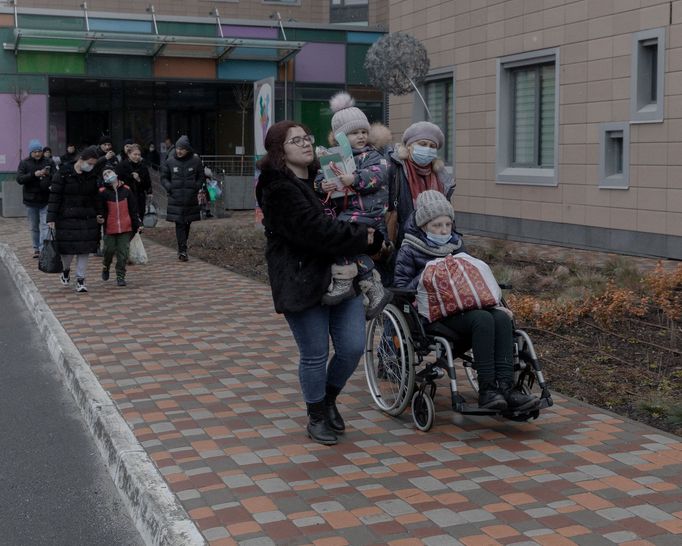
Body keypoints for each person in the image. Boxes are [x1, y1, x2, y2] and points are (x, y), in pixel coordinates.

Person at [256, 120, 383, 445]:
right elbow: (316, 232)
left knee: (353, 347)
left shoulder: (322, 179)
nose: (305, 143)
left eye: (306, 137)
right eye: (295, 140)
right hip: (303, 279)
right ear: (279, 151)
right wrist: (365, 238)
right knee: (314, 353)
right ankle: (316, 416)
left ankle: (327, 399)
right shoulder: (277, 188)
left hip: (342, 275)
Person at [393, 190, 540, 413]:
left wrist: (496, 302)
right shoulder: (409, 249)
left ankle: (507, 388)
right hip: (432, 314)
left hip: (464, 307)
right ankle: (488, 390)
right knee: (482, 319)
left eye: (447, 225)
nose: (444, 231)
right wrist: (432, 273)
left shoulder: (456, 244)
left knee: (499, 318)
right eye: (437, 226)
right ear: (423, 226)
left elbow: (472, 277)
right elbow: (401, 287)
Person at [314, 92, 392, 319]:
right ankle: (373, 288)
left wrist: (355, 179)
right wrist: (323, 185)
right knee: (347, 244)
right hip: (350, 211)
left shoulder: (372, 155)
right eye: (354, 133)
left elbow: (379, 175)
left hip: (369, 211)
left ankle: (344, 280)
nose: (360, 136)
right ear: (340, 137)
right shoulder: (333, 157)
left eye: (363, 132)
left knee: (338, 235)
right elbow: (319, 178)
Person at [388, 121, 455, 247]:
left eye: (432, 146)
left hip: (436, 243)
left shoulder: (440, 176)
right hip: (403, 244)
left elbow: (448, 215)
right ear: (409, 146)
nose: (427, 149)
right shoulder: (395, 170)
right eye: (422, 144)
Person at [47, 146, 103, 293]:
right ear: (81, 159)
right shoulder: (63, 174)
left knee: (84, 250)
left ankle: (81, 279)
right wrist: (51, 218)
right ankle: (65, 270)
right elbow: (54, 197)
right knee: (68, 251)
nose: (90, 166)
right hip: (66, 218)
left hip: (87, 218)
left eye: (93, 164)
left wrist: (99, 213)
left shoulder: (92, 176)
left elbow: (96, 197)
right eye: (89, 163)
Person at [161, 135, 203, 261]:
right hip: (176, 198)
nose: (179, 151)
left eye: (182, 149)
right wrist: (170, 187)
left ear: (188, 150)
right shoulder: (170, 160)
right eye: (178, 148)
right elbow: (163, 177)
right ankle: (182, 250)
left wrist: (196, 186)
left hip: (190, 198)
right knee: (179, 223)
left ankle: (183, 247)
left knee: (187, 223)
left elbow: (201, 176)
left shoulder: (196, 160)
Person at [98, 169, 142, 287]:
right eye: (105, 174)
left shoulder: (126, 190)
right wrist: (100, 218)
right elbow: (100, 209)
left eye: (109, 172)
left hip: (125, 227)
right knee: (109, 250)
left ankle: (120, 276)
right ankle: (106, 266)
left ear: (116, 174)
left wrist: (137, 223)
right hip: (110, 227)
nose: (108, 175)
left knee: (123, 253)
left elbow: (133, 208)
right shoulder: (103, 192)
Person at [16, 139, 52, 258]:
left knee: (45, 225)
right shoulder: (24, 163)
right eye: (35, 151)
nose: (37, 153)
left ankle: (43, 249)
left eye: (39, 151)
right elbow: (19, 179)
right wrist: (33, 175)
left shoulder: (48, 162)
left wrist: (47, 176)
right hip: (30, 200)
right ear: (30, 152)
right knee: (34, 226)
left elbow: (56, 176)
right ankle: (36, 247)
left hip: (45, 199)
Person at [116, 143, 152, 223]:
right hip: (125, 198)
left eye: (139, 154)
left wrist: (139, 180)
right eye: (135, 154)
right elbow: (117, 182)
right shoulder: (121, 166)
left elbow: (147, 184)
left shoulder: (143, 167)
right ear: (129, 154)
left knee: (138, 221)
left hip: (139, 198)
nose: (137, 157)